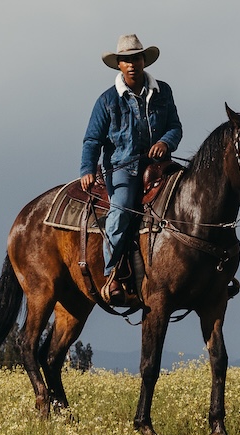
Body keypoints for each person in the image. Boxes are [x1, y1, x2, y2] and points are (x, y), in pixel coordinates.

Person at [81, 34, 183, 304]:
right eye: (125, 60)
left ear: (143, 61)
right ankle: (112, 273)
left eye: (135, 58)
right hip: (123, 168)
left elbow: (175, 126)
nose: (131, 64)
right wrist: (87, 169)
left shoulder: (164, 92)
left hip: (159, 166)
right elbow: (93, 139)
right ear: (119, 65)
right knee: (122, 209)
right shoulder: (107, 101)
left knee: (187, 198)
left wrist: (165, 141)